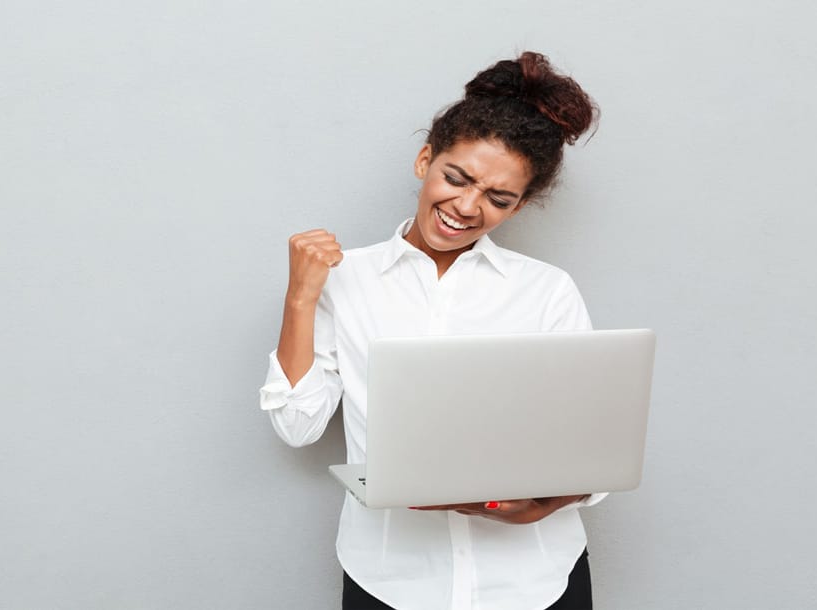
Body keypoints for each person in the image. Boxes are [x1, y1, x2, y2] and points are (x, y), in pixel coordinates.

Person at [259, 51, 604, 610]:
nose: (466, 207)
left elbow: (591, 446)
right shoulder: (344, 280)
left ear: (518, 207)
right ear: (425, 160)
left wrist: (541, 505)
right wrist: (301, 296)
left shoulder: (547, 290)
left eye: (498, 198)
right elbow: (297, 426)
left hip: (533, 581)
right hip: (393, 580)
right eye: (456, 177)